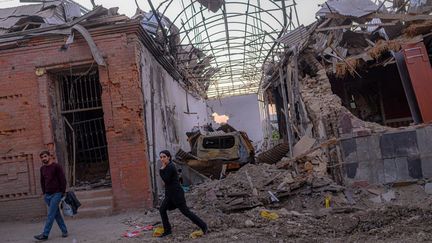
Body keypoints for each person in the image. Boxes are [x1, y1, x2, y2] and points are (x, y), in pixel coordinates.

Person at [158, 150, 207, 237]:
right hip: (170, 195)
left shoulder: (171, 166)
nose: (162, 159)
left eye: (164, 157)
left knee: (186, 212)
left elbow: (167, 180)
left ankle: (203, 226)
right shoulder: (167, 166)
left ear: (168, 157)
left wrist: (161, 170)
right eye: (161, 157)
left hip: (177, 195)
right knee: (162, 210)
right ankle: (167, 231)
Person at [34, 150, 68, 241]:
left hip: (56, 193)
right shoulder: (42, 169)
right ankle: (64, 231)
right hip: (48, 195)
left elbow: (63, 180)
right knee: (56, 214)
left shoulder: (56, 167)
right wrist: (44, 193)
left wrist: (62, 192)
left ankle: (45, 234)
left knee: (50, 214)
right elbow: (42, 181)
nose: (43, 158)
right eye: (42, 157)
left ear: (49, 156)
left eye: (45, 156)